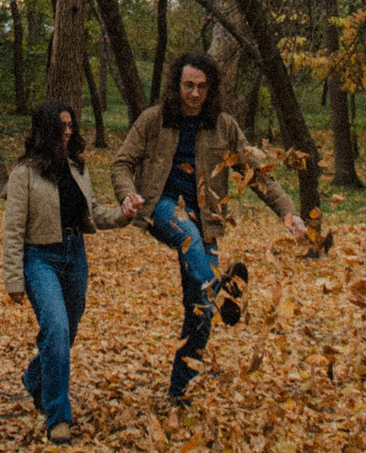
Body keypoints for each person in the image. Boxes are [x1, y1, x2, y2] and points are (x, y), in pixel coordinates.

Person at [111, 53, 306, 402]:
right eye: (188, 85)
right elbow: (122, 163)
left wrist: (288, 214)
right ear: (177, 85)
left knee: (200, 311)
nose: (195, 93)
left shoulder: (224, 126)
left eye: (202, 87)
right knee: (187, 235)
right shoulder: (153, 120)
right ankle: (222, 287)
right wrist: (128, 195)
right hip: (162, 207)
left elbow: (257, 174)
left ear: (211, 89)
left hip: (209, 222)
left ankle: (179, 392)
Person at [2, 99, 141, 443]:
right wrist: (13, 278)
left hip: (74, 255)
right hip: (40, 258)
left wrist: (122, 215)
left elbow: (92, 213)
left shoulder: (78, 169)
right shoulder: (25, 175)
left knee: (67, 332)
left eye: (71, 126)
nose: (68, 132)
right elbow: (13, 230)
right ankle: (58, 417)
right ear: (45, 130)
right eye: (61, 126)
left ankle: (36, 378)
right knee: (57, 328)